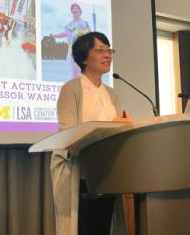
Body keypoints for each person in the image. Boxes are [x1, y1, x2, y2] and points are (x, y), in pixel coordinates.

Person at [51, 32, 132, 235]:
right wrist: (109, 127)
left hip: (108, 172)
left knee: (103, 226)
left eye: (109, 50)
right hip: (80, 173)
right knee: (84, 227)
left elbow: (119, 127)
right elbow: (67, 135)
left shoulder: (111, 93)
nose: (107, 55)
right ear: (84, 57)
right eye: (100, 50)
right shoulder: (71, 89)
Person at [51, 3, 90, 78]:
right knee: (74, 68)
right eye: (73, 8)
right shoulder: (69, 25)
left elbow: (89, 35)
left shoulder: (85, 23)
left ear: (80, 11)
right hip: (72, 48)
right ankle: (74, 86)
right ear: (71, 11)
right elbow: (65, 34)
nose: (75, 10)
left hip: (82, 48)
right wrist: (54, 36)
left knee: (79, 68)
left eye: (76, 8)